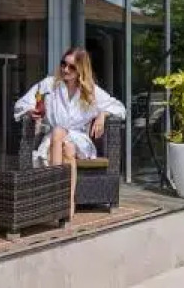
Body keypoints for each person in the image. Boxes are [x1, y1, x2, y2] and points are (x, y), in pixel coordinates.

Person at [13, 47, 126, 218]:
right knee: (67, 149)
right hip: (56, 142)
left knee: (60, 134)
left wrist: (103, 114)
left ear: (81, 69)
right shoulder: (49, 85)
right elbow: (22, 103)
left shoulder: (91, 91)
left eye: (71, 67)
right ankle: (68, 205)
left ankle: (56, 197)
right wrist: (30, 111)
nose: (65, 69)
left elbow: (120, 108)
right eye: (63, 64)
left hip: (79, 139)